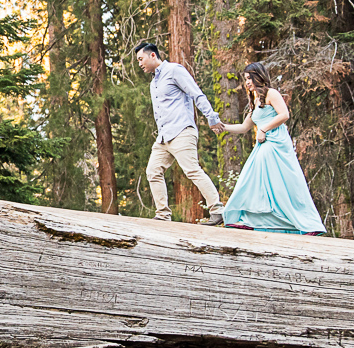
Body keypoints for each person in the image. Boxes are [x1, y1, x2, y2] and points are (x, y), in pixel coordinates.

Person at [218, 61, 327, 235]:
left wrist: (263, 128)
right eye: (245, 79)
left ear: (258, 76)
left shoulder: (271, 93)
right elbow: (244, 127)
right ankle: (252, 219)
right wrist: (222, 126)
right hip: (264, 146)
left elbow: (284, 114)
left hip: (276, 144)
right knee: (254, 180)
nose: (246, 82)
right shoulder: (254, 100)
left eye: (249, 78)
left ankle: (308, 224)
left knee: (282, 183)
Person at [134, 42, 227, 226]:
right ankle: (163, 214)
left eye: (140, 59)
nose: (139, 64)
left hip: (182, 131)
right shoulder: (154, 83)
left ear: (153, 55)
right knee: (153, 171)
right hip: (163, 137)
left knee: (192, 170)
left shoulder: (174, 70)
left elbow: (196, 94)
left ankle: (218, 211)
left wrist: (212, 117)